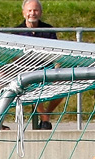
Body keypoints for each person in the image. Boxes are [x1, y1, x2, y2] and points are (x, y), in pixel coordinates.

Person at [15, 0, 61, 130]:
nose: (32, 13)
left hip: (47, 68)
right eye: (29, 10)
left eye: (35, 10)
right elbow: (15, 57)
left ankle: (46, 115)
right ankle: (45, 119)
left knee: (65, 82)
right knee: (32, 84)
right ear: (24, 13)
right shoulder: (17, 32)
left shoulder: (48, 30)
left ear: (40, 13)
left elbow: (56, 52)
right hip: (26, 70)